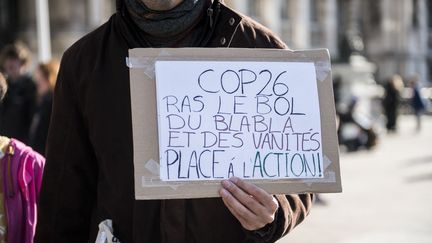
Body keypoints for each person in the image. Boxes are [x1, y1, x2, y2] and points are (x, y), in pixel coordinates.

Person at [35, 1, 313, 242]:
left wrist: (275, 211)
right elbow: (62, 204)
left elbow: (301, 177)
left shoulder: (262, 50)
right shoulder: (84, 62)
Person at [0, 42, 36, 143]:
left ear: (23, 63)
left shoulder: (33, 87)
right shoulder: (3, 86)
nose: (10, 63)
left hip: (23, 146)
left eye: (14, 59)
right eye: (8, 59)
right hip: (4, 144)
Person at [28, 59, 59, 155]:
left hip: (48, 154)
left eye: (41, 78)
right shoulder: (40, 100)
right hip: (38, 152)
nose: (37, 82)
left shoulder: (54, 101)